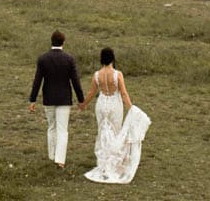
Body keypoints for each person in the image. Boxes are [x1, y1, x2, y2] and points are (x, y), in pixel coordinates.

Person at [82, 46, 150, 184]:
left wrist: (83, 104)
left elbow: (91, 92)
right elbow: (123, 93)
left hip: (101, 105)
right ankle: (114, 163)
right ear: (112, 58)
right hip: (114, 105)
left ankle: (103, 163)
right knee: (115, 132)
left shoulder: (96, 75)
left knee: (102, 132)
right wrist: (131, 108)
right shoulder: (117, 74)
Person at [27, 29, 85, 168]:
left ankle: (52, 155)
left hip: (49, 98)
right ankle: (60, 159)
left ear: (51, 41)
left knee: (51, 127)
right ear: (63, 42)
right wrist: (81, 99)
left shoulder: (43, 59)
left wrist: (32, 99)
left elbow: (37, 80)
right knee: (62, 129)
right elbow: (75, 81)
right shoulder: (69, 59)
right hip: (64, 99)